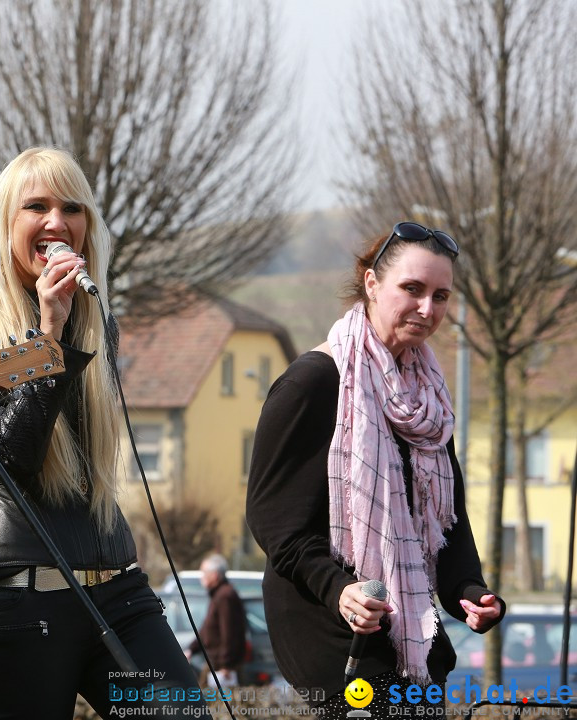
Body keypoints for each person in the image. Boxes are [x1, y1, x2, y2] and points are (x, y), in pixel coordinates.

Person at [0, 146, 209, 720]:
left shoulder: (99, 324)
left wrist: (69, 328)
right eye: (37, 207)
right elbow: (8, 455)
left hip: (118, 590)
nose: (58, 223)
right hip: (19, 601)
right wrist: (47, 337)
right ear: (7, 225)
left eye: (71, 208)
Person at [245, 222, 504, 716]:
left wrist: (471, 593)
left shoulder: (427, 398)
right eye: (413, 289)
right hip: (328, 623)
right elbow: (276, 525)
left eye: (441, 296)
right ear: (371, 284)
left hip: (408, 625)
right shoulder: (314, 382)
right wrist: (340, 590)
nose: (428, 309)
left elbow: (447, 522)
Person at [185, 554, 246, 688]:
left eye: (204, 573)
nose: (201, 577)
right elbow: (208, 630)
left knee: (216, 705)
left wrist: (226, 666)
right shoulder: (218, 595)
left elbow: (229, 633)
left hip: (222, 668)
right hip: (214, 663)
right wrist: (191, 649)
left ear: (215, 575)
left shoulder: (225, 596)